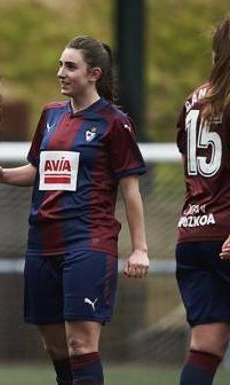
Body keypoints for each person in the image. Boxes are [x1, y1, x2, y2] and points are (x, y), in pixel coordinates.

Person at [0, 36, 149, 385]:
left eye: (70, 66)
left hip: (87, 243)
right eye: (60, 64)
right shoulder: (50, 115)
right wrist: (4, 175)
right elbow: (39, 169)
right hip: (42, 244)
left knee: (80, 344)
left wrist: (140, 248)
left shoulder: (114, 122)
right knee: (56, 347)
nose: (61, 72)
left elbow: (131, 190)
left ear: (94, 74)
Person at [175, 16, 230, 385]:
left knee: (205, 346)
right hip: (227, 232)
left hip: (193, 234)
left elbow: (189, 164)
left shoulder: (194, 100)